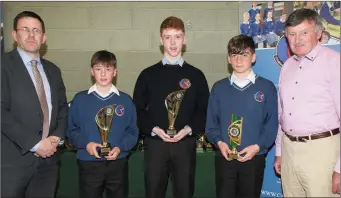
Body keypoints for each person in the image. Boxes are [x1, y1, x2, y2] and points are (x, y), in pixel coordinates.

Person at [133, 16, 209, 198]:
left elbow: (204, 110)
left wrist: (189, 129)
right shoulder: (147, 75)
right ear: (161, 40)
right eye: (167, 37)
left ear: (185, 39)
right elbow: (137, 110)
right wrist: (154, 129)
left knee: (184, 193)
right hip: (155, 145)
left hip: (185, 145)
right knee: (153, 193)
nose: (173, 42)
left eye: (178, 36)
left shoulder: (196, 75)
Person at [1, 11, 68, 198]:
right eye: (25, 29)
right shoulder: (3, 66)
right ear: (15, 35)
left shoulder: (53, 70)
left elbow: (62, 108)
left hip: (48, 163)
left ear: (44, 37)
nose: (31, 35)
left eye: (36, 30)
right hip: (12, 163)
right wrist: (35, 144)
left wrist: (56, 138)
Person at [274, 8, 340, 197]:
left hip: (322, 151)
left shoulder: (334, 62)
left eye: (304, 32)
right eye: (292, 34)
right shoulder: (287, 66)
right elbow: (282, 113)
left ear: (318, 33)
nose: (297, 39)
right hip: (288, 150)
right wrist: (279, 151)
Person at [205, 34, 278, 198]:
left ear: (253, 57)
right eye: (234, 55)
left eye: (244, 54)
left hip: (254, 159)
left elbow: (272, 124)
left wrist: (258, 147)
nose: (239, 60)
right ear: (228, 59)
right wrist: (219, 142)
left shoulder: (266, 88)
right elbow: (211, 124)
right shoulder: (219, 88)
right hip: (225, 159)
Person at [67, 50, 139, 198]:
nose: (103, 74)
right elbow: (71, 130)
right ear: (92, 72)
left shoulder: (125, 100)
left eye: (108, 69)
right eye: (98, 69)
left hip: (118, 163)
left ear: (115, 72)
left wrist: (120, 147)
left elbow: (132, 131)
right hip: (88, 163)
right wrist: (86, 144)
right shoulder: (80, 100)